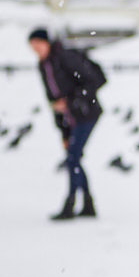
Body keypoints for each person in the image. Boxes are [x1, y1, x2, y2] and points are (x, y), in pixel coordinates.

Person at [27, 27, 103, 220]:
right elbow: (53, 101)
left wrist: (70, 101)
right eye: (32, 46)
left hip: (86, 114)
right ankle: (87, 204)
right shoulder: (44, 65)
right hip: (70, 119)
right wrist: (64, 133)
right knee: (73, 158)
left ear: (46, 42)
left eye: (38, 44)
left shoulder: (65, 57)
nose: (35, 49)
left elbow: (94, 81)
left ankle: (71, 204)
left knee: (72, 159)